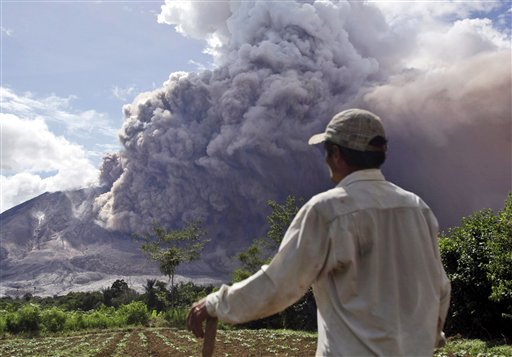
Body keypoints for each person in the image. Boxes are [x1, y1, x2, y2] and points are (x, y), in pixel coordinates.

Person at [187, 108, 451, 356]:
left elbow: (280, 283)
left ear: (336, 154)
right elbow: (440, 286)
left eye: (326, 151)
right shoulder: (417, 208)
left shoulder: (328, 210)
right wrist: (430, 335)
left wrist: (215, 304)